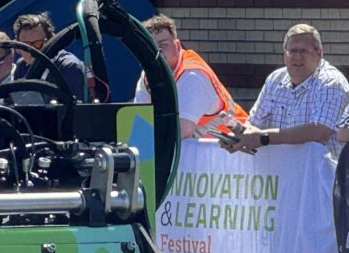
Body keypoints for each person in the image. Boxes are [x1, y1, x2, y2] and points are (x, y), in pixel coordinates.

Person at [225, 24, 349, 157]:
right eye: (292, 51)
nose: (297, 57)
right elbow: (254, 123)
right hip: (280, 168)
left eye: (303, 51)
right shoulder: (275, 79)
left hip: (319, 169)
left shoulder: (331, 82)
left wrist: (263, 138)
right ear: (284, 53)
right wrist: (239, 135)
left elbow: (319, 131)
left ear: (319, 52)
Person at [133, 15, 247, 139]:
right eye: (150, 47)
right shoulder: (148, 75)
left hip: (234, 145)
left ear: (177, 46)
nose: (157, 53)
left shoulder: (193, 76)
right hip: (203, 145)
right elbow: (138, 122)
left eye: (163, 45)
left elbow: (181, 132)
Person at [10, 12, 84, 99]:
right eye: (25, 46)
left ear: (51, 41)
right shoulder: (21, 67)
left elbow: (79, 106)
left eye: (38, 44)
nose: (31, 51)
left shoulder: (69, 67)